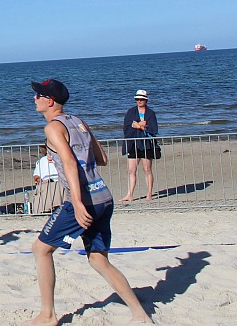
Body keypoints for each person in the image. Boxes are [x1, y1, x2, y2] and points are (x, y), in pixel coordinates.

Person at [28, 78, 152, 326]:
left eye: (39, 95)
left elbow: (70, 163)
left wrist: (76, 201)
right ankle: (139, 314)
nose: (35, 98)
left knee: (41, 250)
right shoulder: (78, 121)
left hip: (83, 200)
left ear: (50, 101)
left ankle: (48, 315)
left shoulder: (53, 128)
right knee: (98, 259)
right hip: (103, 196)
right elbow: (102, 158)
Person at [121, 89, 159, 202]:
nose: (139, 101)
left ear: (146, 100)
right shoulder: (131, 112)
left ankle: (149, 194)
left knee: (147, 169)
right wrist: (139, 125)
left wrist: (140, 126)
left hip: (147, 144)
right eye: (137, 99)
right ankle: (130, 195)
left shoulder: (150, 113)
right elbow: (127, 127)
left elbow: (153, 129)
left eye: (141, 99)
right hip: (133, 144)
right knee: (131, 170)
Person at [31, 144, 64, 214]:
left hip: (48, 183)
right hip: (57, 182)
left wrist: (39, 180)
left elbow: (36, 176)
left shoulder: (41, 161)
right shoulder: (62, 158)